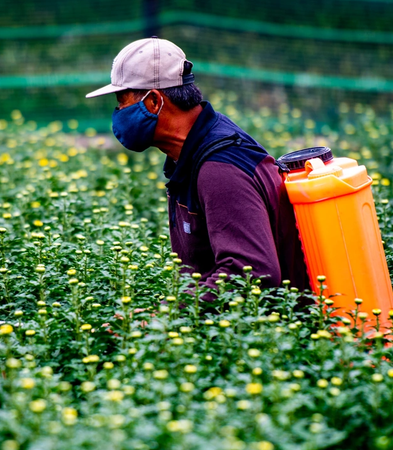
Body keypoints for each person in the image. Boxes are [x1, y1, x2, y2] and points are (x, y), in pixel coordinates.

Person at [86, 37, 309, 295]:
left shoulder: (219, 168)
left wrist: (166, 319)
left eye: (122, 100)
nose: (118, 111)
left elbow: (250, 272)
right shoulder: (194, 150)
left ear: (154, 102)